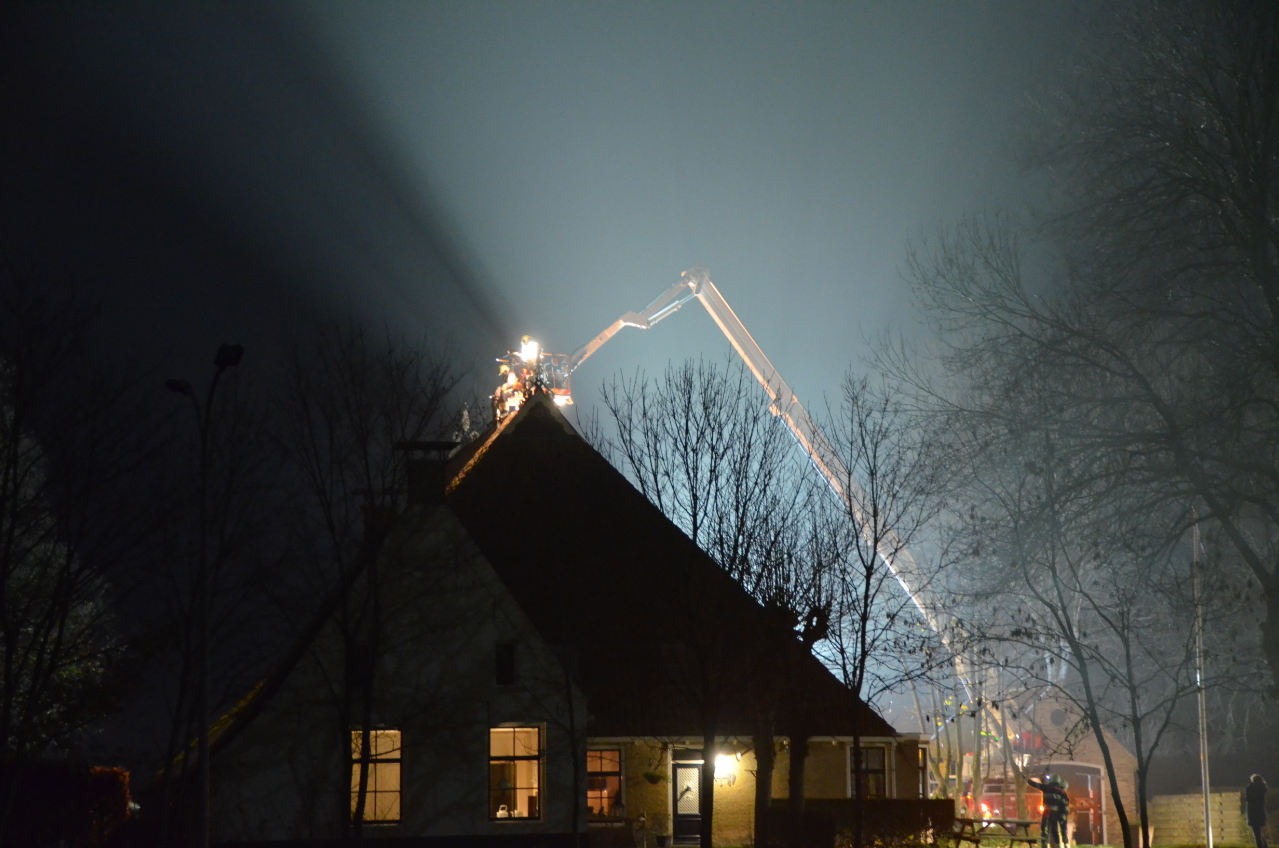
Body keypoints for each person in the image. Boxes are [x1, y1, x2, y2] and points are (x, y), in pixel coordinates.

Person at [1026, 773, 1070, 848]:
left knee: (1044, 830)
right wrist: (1062, 816)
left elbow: (1034, 784)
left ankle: (1044, 845)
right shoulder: (1061, 792)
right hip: (1055, 814)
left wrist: (1026, 778)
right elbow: (1064, 805)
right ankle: (1058, 846)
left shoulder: (1046, 787)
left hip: (1046, 812)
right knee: (1055, 831)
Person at [1247, 774, 1268, 848]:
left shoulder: (1251, 789)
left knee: (1257, 835)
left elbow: (1248, 798)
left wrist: (1250, 786)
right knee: (1260, 834)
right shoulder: (1262, 789)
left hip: (1253, 815)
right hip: (1261, 814)